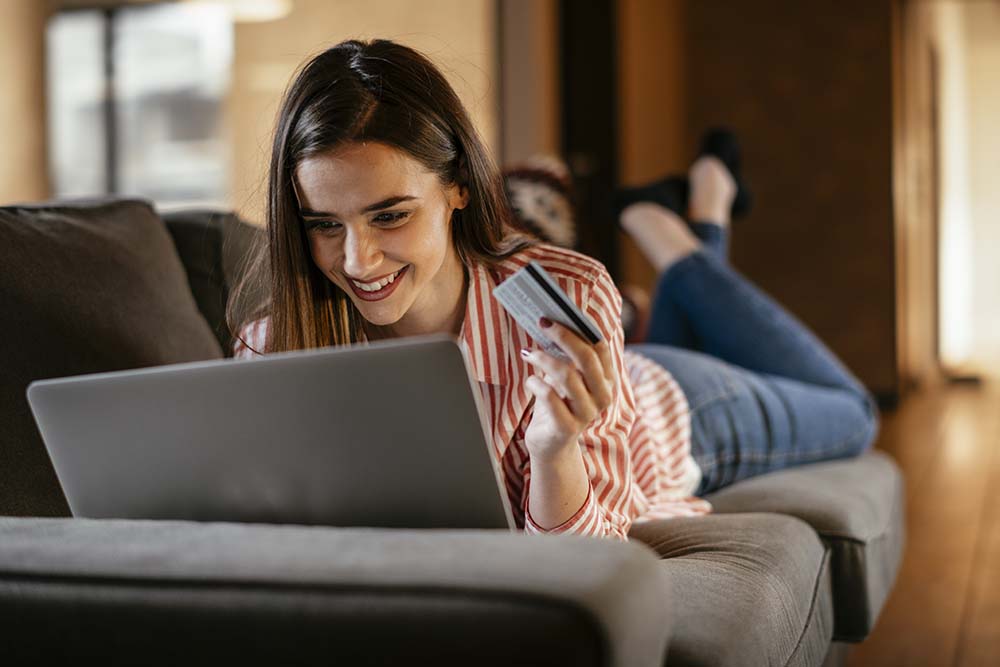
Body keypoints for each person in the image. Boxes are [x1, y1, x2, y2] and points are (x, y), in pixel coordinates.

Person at [231, 39, 879, 542]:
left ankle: (677, 237)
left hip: (675, 412)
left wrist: (555, 448)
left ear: (458, 186)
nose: (356, 259)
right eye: (323, 224)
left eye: (390, 215)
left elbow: (590, 563)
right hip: (617, 365)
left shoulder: (568, 289)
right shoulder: (272, 349)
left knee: (854, 412)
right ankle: (692, 220)